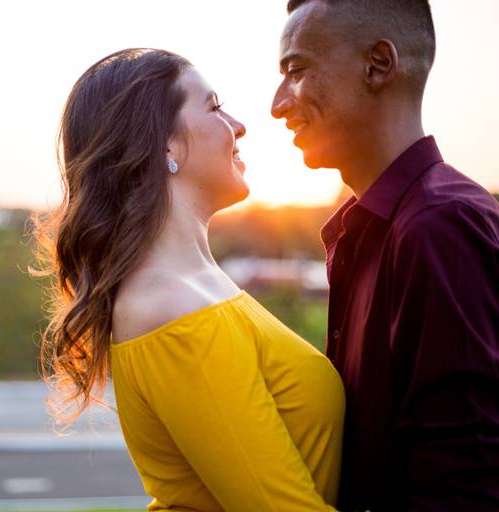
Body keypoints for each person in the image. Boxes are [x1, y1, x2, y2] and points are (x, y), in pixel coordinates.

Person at [33, 47, 344, 511]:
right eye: (215, 107)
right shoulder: (172, 307)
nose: (238, 125)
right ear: (165, 145)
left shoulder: (199, 285)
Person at [271, 1, 499, 510]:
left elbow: (463, 485)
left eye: (296, 70)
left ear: (378, 64)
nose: (278, 103)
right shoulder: (368, 230)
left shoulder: (440, 226)